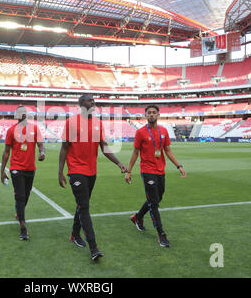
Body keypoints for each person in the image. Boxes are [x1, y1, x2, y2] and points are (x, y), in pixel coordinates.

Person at [58, 94, 127, 261]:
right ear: (81, 104)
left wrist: (119, 163)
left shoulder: (98, 123)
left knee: (82, 205)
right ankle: (94, 247)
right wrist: (60, 172)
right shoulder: (71, 122)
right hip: (76, 170)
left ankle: (74, 234)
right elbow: (64, 148)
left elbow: (104, 147)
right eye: (90, 100)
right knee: (85, 207)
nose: (93, 103)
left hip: (92, 172)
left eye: (94, 101)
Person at [125, 105, 186, 248]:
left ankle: (137, 217)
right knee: (154, 203)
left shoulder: (163, 131)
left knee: (157, 198)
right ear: (145, 115)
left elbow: (168, 151)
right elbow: (135, 153)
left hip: (160, 170)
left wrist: (179, 166)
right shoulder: (140, 132)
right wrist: (129, 171)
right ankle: (161, 234)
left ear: (158, 115)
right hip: (147, 170)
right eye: (149, 113)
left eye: (154, 112)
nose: (151, 115)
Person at [0, 106, 45, 241]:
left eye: (24, 113)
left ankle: (18, 212)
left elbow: (41, 144)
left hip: (30, 168)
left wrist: (42, 152)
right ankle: (23, 226)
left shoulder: (35, 129)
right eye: (20, 113)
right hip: (16, 168)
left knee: (26, 195)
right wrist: (2, 171)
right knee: (20, 196)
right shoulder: (11, 131)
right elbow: (6, 152)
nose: (23, 115)